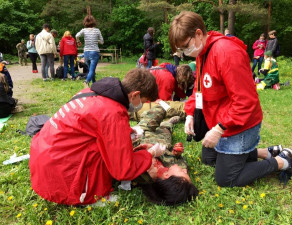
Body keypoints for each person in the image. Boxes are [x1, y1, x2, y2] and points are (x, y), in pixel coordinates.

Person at [168, 11, 292, 187]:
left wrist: (219, 129)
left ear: (198, 34)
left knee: (226, 178)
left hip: (240, 125)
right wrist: (190, 114)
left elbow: (246, 102)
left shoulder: (226, 53)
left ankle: (284, 161)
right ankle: (267, 152)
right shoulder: (203, 53)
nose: (184, 53)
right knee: (209, 158)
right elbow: (199, 89)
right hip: (222, 120)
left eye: (185, 46)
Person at [29, 69, 162, 205]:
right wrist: (150, 153)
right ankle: (91, 197)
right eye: (143, 102)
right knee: (108, 154)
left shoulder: (90, 93)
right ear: (135, 95)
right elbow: (124, 170)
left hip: (44, 161)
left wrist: (125, 131)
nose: (141, 107)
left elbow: (90, 124)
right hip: (60, 179)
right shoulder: (113, 112)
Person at [131, 104, 198, 205]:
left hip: (142, 134)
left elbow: (126, 158)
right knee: (166, 131)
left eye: (183, 173)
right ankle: (169, 122)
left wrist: (150, 151)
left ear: (166, 176)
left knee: (160, 108)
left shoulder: (143, 173)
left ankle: (166, 118)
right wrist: (176, 153)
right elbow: (179, 160)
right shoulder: (171, 169)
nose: (185, 170)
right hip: (162, 141)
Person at [76, 10, 104, 87]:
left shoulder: (84, 30)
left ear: (85, 22)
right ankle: (87, 81)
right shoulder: (97, 30)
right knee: (92, 70)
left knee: (90, 69)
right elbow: (102, 42)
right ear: (93, 22)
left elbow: (77, 35)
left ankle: (94, 83)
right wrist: (96, 40)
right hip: (94, 52)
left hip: (86, 52)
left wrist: (78, 42)